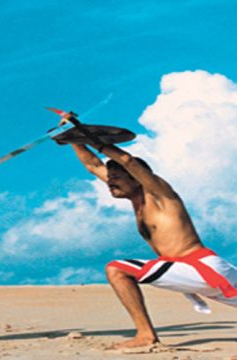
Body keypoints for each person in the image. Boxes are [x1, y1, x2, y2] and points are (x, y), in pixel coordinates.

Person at [65, 130, 237, 349]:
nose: (110, 183)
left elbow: (127, 160)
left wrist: (93, 139)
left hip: (200, 267)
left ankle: (146, 335)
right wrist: (73, 139)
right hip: (201, 269)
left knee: (117, 269)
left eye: (116, 177)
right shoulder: (135, 198)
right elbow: (92, 166)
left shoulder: (160, 194)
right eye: (110, 178)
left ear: (136, 177)